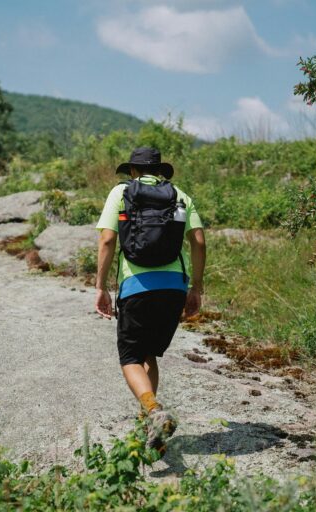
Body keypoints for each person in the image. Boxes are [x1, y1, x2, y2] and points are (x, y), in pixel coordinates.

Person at [94, 147, 206, 452]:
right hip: (173, 288)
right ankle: (151, 426)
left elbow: (107, 239)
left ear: (132, 171)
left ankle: (155, 412)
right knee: (149, 354)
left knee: (130, 357)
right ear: (161, 172)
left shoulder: (122, 193)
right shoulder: (180, 195)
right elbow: (198, 240)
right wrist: (196, 287)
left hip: (136, 286)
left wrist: (100, 286)